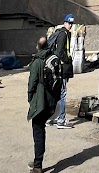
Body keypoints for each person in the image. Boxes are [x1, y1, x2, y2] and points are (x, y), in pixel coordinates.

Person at [27, 36, 58, 173]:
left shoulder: (37, 62)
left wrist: (30, 99)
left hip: (41, 101)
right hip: (52, 99)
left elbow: (32, 84)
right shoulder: (53, 58)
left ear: (37, 46)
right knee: (41, 128)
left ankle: (38, 165)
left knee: (38, 129)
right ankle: (36, 161)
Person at [48, 14, 75, 128]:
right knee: (62, 94)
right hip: (62, 69)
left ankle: (50, 119)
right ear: (65, 23)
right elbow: (60, 52)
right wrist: (67, 60)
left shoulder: (60, 33)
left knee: (56, 93)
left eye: (71, 24)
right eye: (69, 23)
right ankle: (61, 120)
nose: (70, 25)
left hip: (58, 68)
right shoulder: (63, 35)